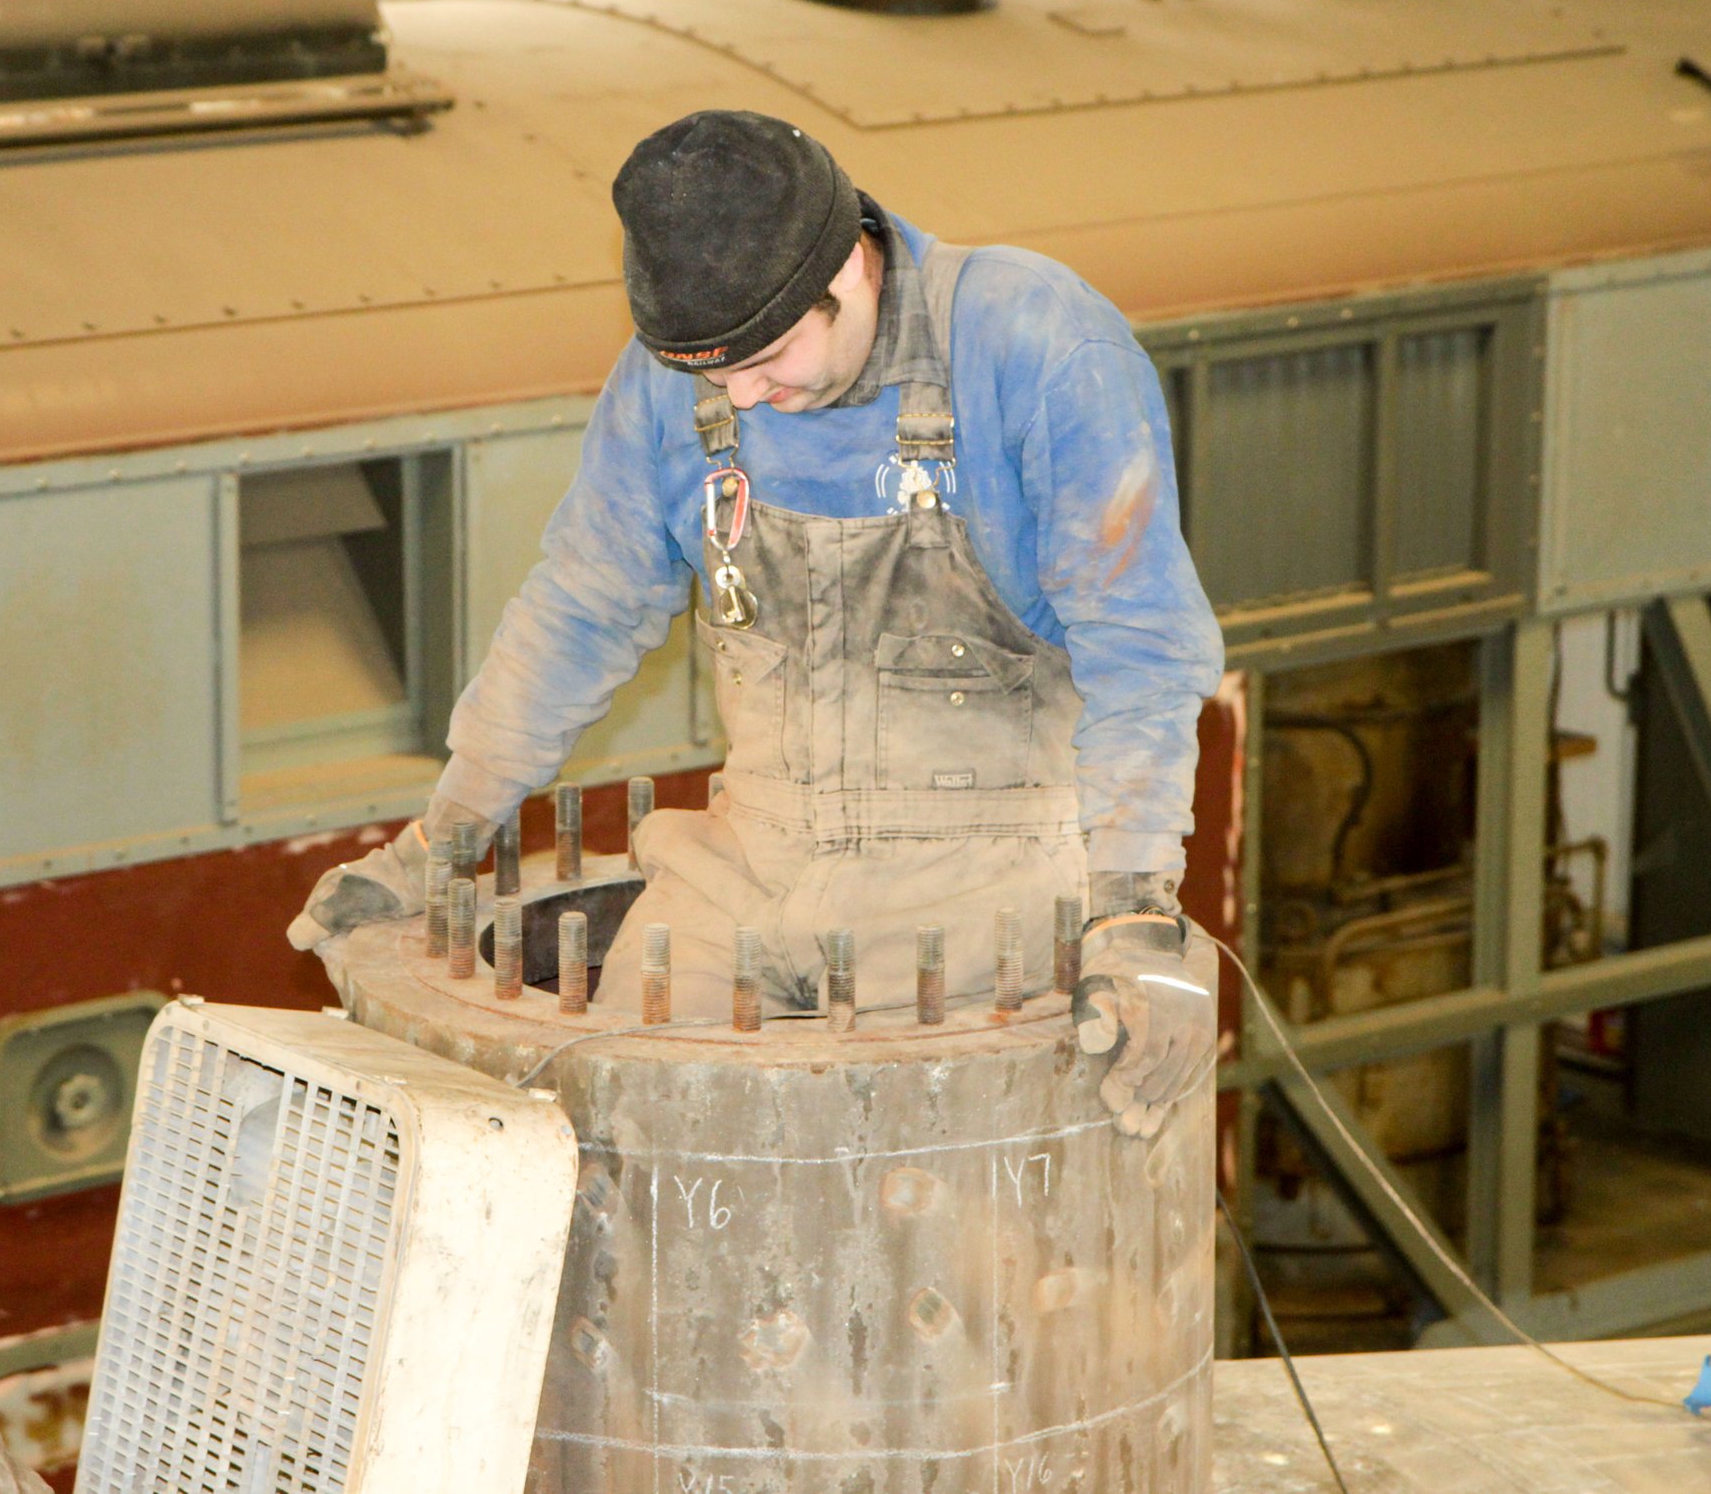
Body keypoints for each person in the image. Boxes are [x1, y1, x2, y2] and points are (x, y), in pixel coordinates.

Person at [289, 109, 1224, 1134]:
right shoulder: (676, 381)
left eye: (767, 358)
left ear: (850, 268)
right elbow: (580, 608)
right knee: (607, 1133)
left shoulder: (1030, 342)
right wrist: (443, 833)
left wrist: (1134, 906)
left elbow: (1141, 641)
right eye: (708, 371)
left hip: (982, 888)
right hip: (744, 872)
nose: (739, 396)